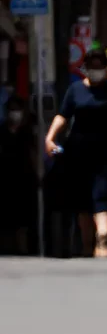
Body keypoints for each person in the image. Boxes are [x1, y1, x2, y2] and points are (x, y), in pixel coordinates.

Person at [44, 48, 107, 258]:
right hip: (80, 155)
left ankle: (103, 240)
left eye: (100, 66)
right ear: (85, 68)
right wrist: (50, 138)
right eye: (92, 66)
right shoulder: (75, 90)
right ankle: (88, 246)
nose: (96, 70)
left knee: (101, 197)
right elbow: (63, 115)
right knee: (83, 202)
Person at [0, 96, 36, 255]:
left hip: (25, 179)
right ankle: (7, 248)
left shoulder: (28, 132)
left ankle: (23, 249)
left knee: (24, 219)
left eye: (18, 110)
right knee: (6, 217)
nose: (15, 114)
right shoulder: (2, 131)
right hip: (5, 179)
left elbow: (35, 154)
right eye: (12, 110)